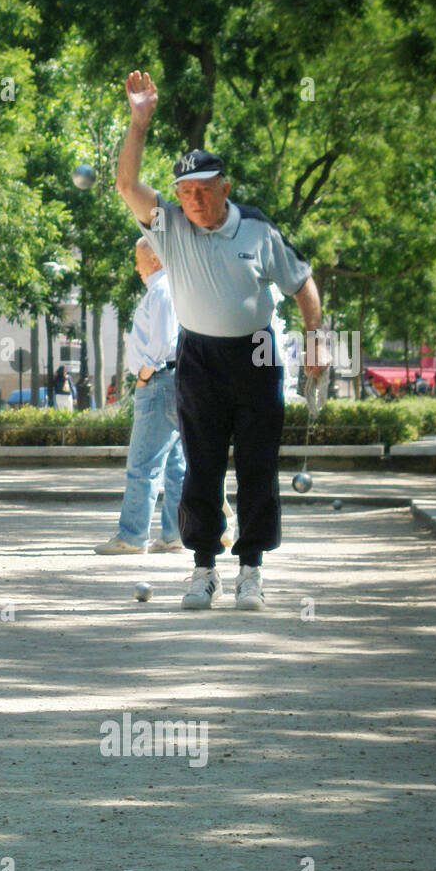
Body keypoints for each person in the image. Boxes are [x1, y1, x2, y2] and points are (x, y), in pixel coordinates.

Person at [116, 70, 322, 611]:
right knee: (202, 467)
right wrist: (140, 122)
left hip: (256, 355)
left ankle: (251, 569)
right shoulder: (171, 227)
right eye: (186, 193)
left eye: (205, 191)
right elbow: (127, 186)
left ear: (225, 189)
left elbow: (302, 284)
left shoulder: (257, 229)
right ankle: (203, 569)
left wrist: (318, 344)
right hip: (199, 356)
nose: (195, 202)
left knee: (257, 466)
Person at [93, 240, 188, 555]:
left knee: (143, 463)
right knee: (175, 464)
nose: (136, 266)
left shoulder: (161, 292)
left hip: (159, 381)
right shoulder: (173, 289)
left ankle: (132, 537)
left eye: (139, 259)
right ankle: (175, 534)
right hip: (174, 379)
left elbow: (161, 343)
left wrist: (144, 375)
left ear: (156, 258)